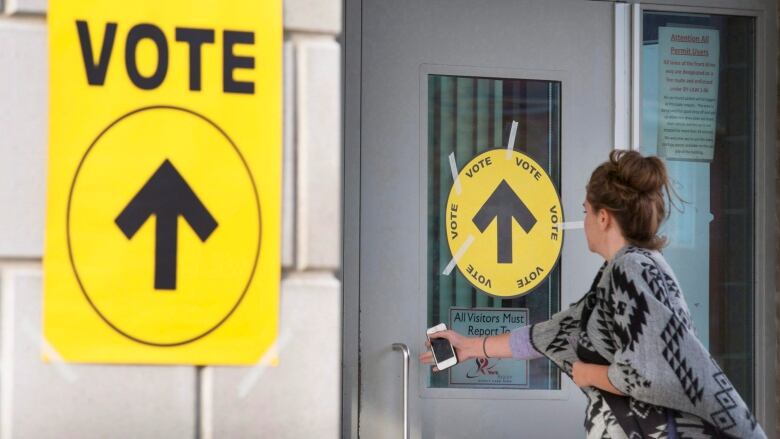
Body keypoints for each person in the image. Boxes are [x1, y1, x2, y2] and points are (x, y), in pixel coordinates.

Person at [420, 150, 766, 438]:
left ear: (603, 218)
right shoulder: (623, 273)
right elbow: (548, 336)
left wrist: (588, 374)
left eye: (586, 211)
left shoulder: (632, 270)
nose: (582, 220)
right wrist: (468, 347)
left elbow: (646, 372)